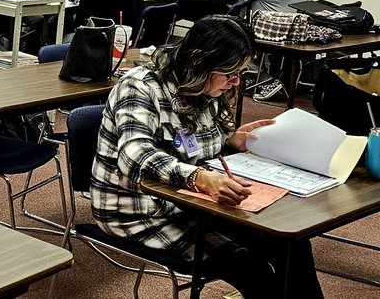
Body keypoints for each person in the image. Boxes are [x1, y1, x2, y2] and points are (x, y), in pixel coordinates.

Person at [91, 15, 323, 299]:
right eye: (230, 74)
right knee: (253, 270)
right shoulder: (139, 87)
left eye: (240, 73)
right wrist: (199, 177)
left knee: (292, 245)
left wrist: (229, 139)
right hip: (137, 211)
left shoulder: (200, 83)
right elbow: (135, 155)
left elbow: (193, 142)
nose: (236, 83)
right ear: (199, 62)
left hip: (189, 203)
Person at [235, 0, 309, 101]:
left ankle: (266, 79)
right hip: (293, 31)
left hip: (269, 29)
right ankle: (268, 81)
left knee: (229, 40)